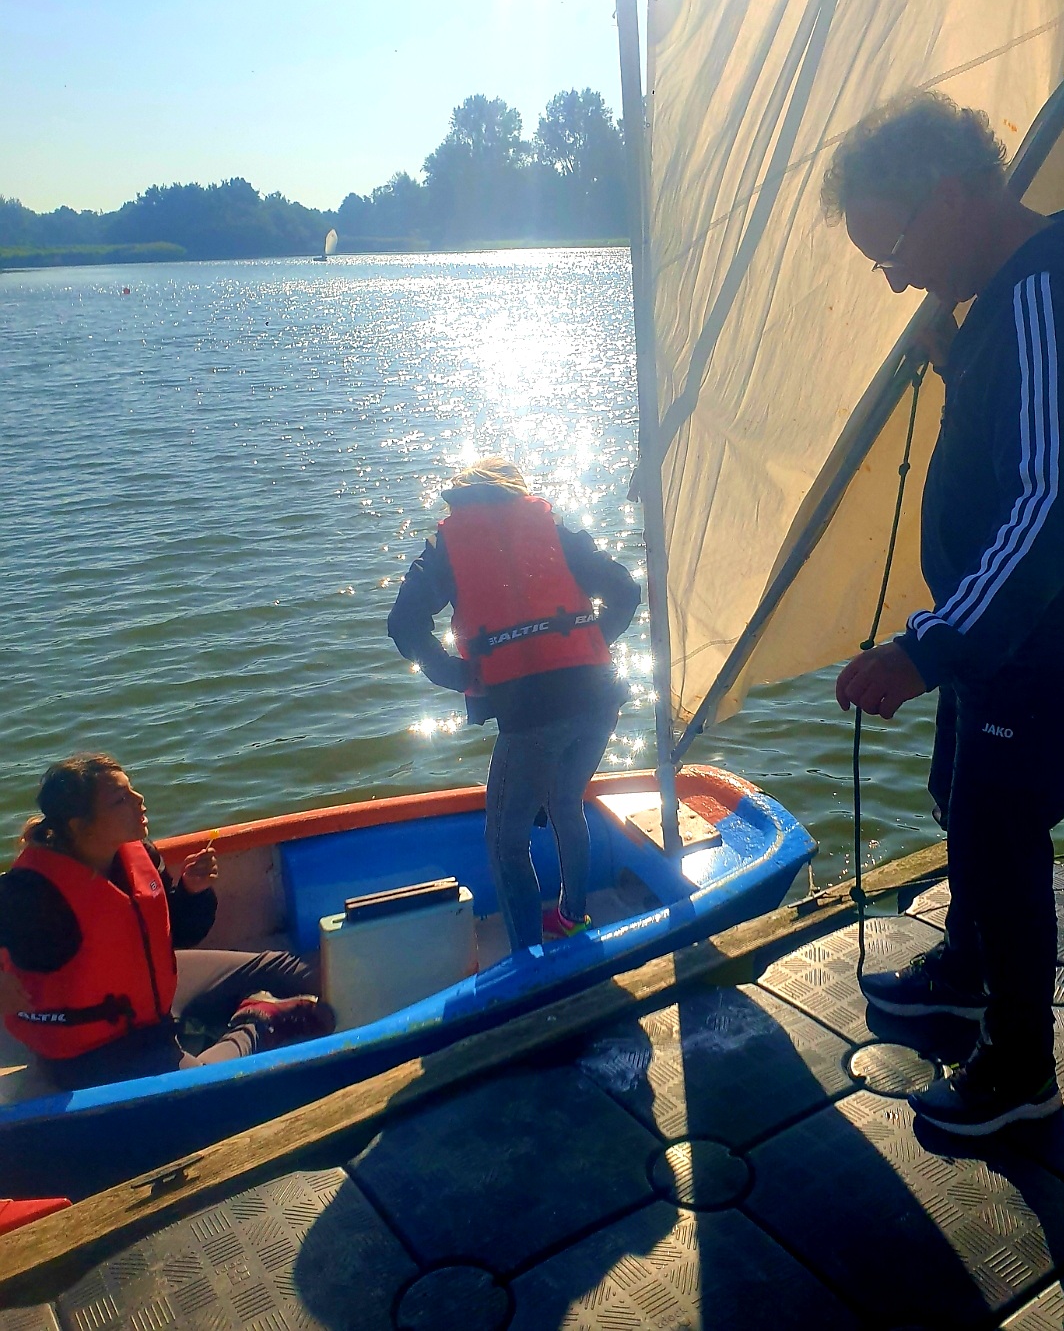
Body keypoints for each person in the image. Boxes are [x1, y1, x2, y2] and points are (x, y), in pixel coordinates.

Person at [823, 91, 1064, 1136]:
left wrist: (929, 648)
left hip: (1042, 644)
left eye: (893, 248)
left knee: (1001, 831)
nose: (894, 277)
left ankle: (1019, 1070)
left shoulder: (1046, 285)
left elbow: (1053, 498)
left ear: (951, 197)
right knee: (960, 801)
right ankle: (966, 971)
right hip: (999, 639)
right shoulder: (1007, 295)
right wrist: (953, 356)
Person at [388, 457, 640, 950]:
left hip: (532, 714)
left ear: (462, 494)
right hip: (599, 697)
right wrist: (592, 644)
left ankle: (527, 958)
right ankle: (572, 917)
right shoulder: (554, 530)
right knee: (565, 802)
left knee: (506, 841)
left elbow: (404, 623)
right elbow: (626, 590)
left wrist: (458, 675)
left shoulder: (447, 547)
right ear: (515, 490)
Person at [0, 754, 334, 1089]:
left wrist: (192, 891)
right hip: (92, 1052)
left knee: (282, 968)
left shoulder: (136, 852)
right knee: (201, 1085)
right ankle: (257, 1021)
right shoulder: (33, 893)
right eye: (120, 800)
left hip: (154, 1001)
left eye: (132, 790)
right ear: (78, 825)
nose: (139, 800)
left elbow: (178, 932)